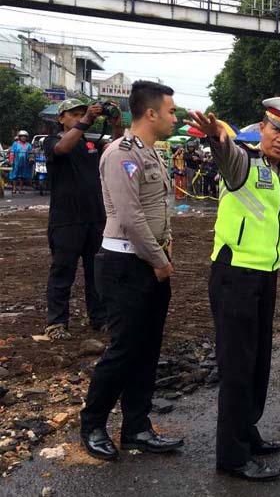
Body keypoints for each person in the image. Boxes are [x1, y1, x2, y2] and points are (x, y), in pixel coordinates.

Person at [185, 97, 280, 482]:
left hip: (265, 275)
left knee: (258, 362)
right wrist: (216, 139)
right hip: (235, 275)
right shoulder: (244, 162)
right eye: (276, 130)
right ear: (262, 128)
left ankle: (247, 430)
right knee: (238, 367)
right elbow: (226, 155)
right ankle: (232, 456)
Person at [79, 81, 182, 462]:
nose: (175, 117)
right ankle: (92, 424)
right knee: (123, 350)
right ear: (151, 113)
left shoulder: (153, 154)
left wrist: (162, 251)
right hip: (126, 265)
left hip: (150, 263)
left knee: (147, 349)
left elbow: (160, 211)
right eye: (171, 111)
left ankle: (137, 427)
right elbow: (130, 217)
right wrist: (159, 261)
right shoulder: (120, 154)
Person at [41, 98, 122, 339]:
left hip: (95, 218)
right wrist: (87, 120)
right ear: (61, 118)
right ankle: (57, 323)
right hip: (66, 219)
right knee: (62, 271)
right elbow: (63, 148)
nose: (79, 117)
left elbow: (117, 146)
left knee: (95, 273)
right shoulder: (52, 141)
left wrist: (116, 123)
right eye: (73, 114)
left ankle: (99, 319)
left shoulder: (91, 145)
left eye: (82, 113)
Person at [9, 130, 33, 194]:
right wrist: (11, 160)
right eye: (22, 136)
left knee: (23, 176)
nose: (23, 137)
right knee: (14, 175)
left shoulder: (29, 145)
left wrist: (31, 159)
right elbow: (12, 152)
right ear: (19, 137)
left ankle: (20, 189)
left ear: (26, 137)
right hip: (16, 162)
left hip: (25, 163)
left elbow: (31, 153)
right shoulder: (15, 144)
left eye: (24, 136)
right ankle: (14, 188)